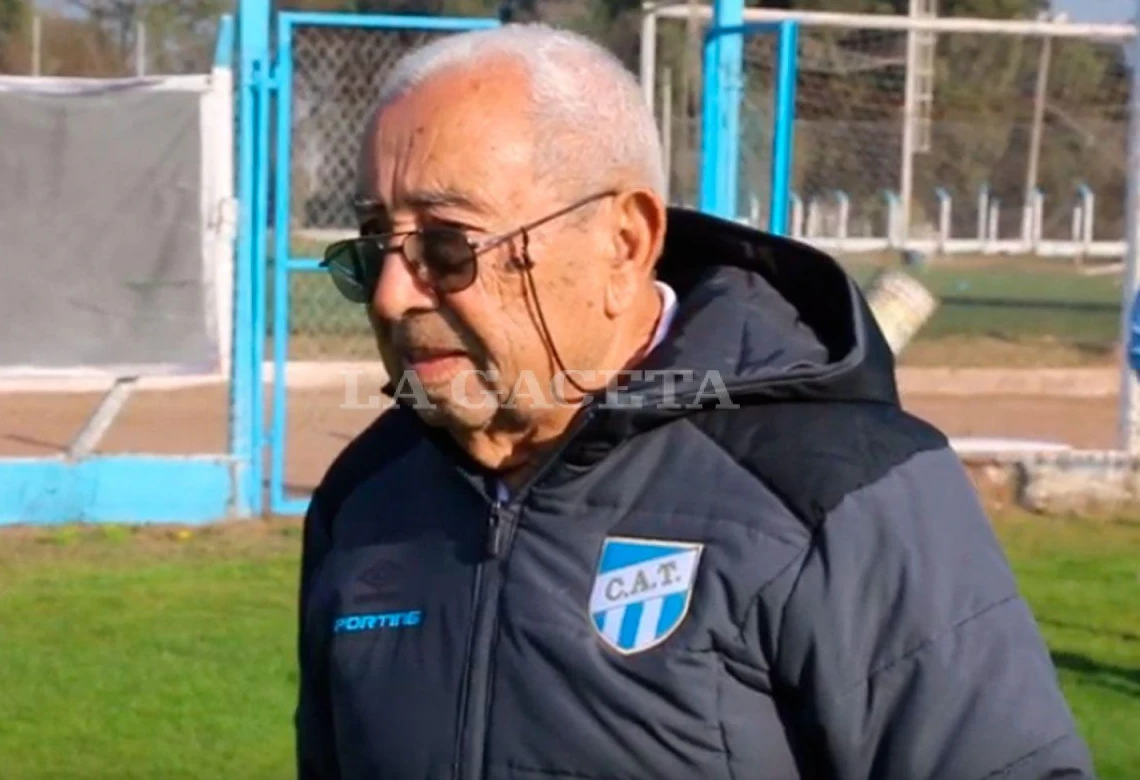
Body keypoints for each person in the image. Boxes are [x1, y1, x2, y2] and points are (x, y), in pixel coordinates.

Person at [294, 23, 1094, 780]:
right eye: (374, 244)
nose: (395, 295)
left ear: (624, 243)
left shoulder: (841, 489)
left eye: (447, 245)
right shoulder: (365, 498)